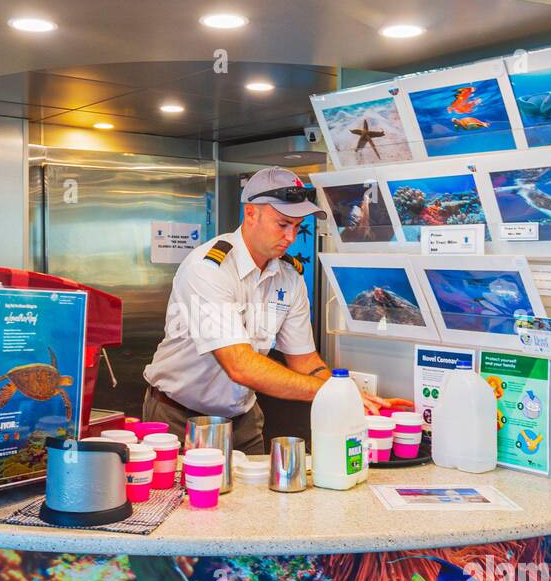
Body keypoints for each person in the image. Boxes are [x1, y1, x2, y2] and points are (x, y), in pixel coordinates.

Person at [143, 167, 388, 455]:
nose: (291, 237)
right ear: (251, 214)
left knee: (255, 501)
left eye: (297, 226)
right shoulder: (208, 268)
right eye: (282, 224)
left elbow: (305, 359)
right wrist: (328, 393)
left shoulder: (290, 277)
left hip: (243, 419)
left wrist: (348, 393)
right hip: (178, 417)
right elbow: (239, 364)